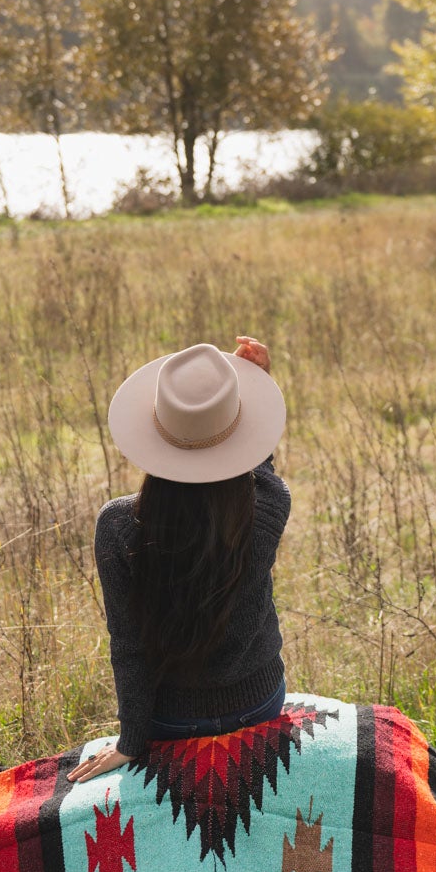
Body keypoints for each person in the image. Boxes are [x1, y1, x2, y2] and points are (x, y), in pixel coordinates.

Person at [67, 334, 291, 785]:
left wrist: (132, 742)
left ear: (156, 434)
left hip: (166, 723)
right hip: (258, 704)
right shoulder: (271, 504)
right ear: (240, 435)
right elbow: (259, 468)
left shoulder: (117, 525)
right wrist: (254, 386)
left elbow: (127, 647)